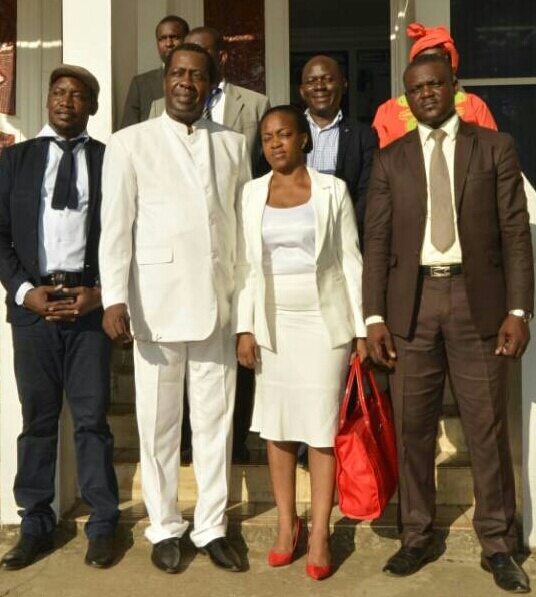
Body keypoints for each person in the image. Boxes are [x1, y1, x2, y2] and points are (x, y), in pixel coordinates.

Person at [363, 54, 533, 593]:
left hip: (476, 301)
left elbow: (516, 233)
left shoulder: (495, 147)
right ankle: (416, 535)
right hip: (410, 306)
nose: (427, 94)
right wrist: (373, 316)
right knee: (412, 427)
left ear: (454, 87)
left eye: (436, 85)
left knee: (487, 428)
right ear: (406, 98)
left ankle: (499, 544)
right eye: (417, 89)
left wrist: (519, 310)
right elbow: (377, 242)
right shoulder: (390, 159)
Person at [99, 44, 250, 575]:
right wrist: (114, 297)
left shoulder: (233, 143)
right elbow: (115, 227)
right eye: (178, 74)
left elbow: (241, 229)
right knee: (159, 425)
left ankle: (211, 526)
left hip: (218, 303)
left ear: (211, 84)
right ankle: (164, 526)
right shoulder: (130, 142)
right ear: (165, 81)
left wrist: (244, 308)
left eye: (198, 75)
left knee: (215, 424)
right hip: (155, 303)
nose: (187, 83)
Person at [233, 105, 368, 580]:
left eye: (284, 134)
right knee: (278, 426)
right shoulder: (252, 193)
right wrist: (245, 327)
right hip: (274, 324)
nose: (275, 144)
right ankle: (287, 525)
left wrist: (360, 329)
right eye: (268, 137)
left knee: (321, 427)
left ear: (303, 139)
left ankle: (321, 531)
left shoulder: (333, 190)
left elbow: (351, 261)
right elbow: (245, 267)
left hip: (324, 324)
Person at [0, 65, 120, 570]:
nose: (66, 101)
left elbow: (126, 233)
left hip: (89, 308)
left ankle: (103, 523)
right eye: (58, 93)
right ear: (47, 100)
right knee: (38, 420)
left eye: (77, 95)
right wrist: (24, 292)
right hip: (35, 309)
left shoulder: (110, 161)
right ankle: (34, 523)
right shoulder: (15, 160)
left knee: (92, 420)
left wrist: (103, 293)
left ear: (92, 107)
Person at [150, 25, 271, 464]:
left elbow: (249, 186)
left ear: (216, 64)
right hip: (167, 281)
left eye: (199, 66)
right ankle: (184, 451)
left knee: (221, 391)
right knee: (167, 403)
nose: (187, 80)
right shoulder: (152, 117)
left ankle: (232, 449)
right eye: (180, 69)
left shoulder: (250, 111)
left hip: (223, 269)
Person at [149, 26, 270, 176]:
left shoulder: (256, 104)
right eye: (188, 51)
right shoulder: (160, 106)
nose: (193, 58)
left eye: (201, 51)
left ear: (222, 57)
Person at [372, 22, 497, 149]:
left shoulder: (474, 105)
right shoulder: (387, 111)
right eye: (424, 60)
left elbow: (492, 149)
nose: (430, 68)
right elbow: (381, 156)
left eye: (438, 60)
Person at [299, 54, 378, 245]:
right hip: (298, 234)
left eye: (328, 79)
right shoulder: (288, 132)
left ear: (344, 85)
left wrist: (347, 229)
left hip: (344, 237)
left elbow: (367, 191)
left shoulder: (364, 135)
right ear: (302, 91)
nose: (319, 86)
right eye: (312, 81)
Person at [120, 15, 189, 128]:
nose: (169, 43)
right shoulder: (141, 85)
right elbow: (128, 131)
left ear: (187, 40)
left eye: (175, 37)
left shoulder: (199, 80)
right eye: (162, 39)